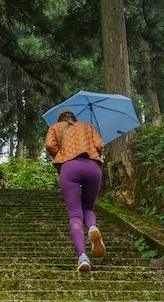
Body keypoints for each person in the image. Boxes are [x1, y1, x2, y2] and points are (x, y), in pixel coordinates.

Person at [44, 109, 106, 272]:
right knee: (88, 208)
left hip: (70, 167)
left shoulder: (55, 127)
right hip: (92, 167)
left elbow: (50, 145)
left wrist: (61, 155)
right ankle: (93, 227)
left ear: (61, 119)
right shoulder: (88, 126)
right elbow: (100, 145)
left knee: (75, 214)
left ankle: (83, 257)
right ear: (74, 118)